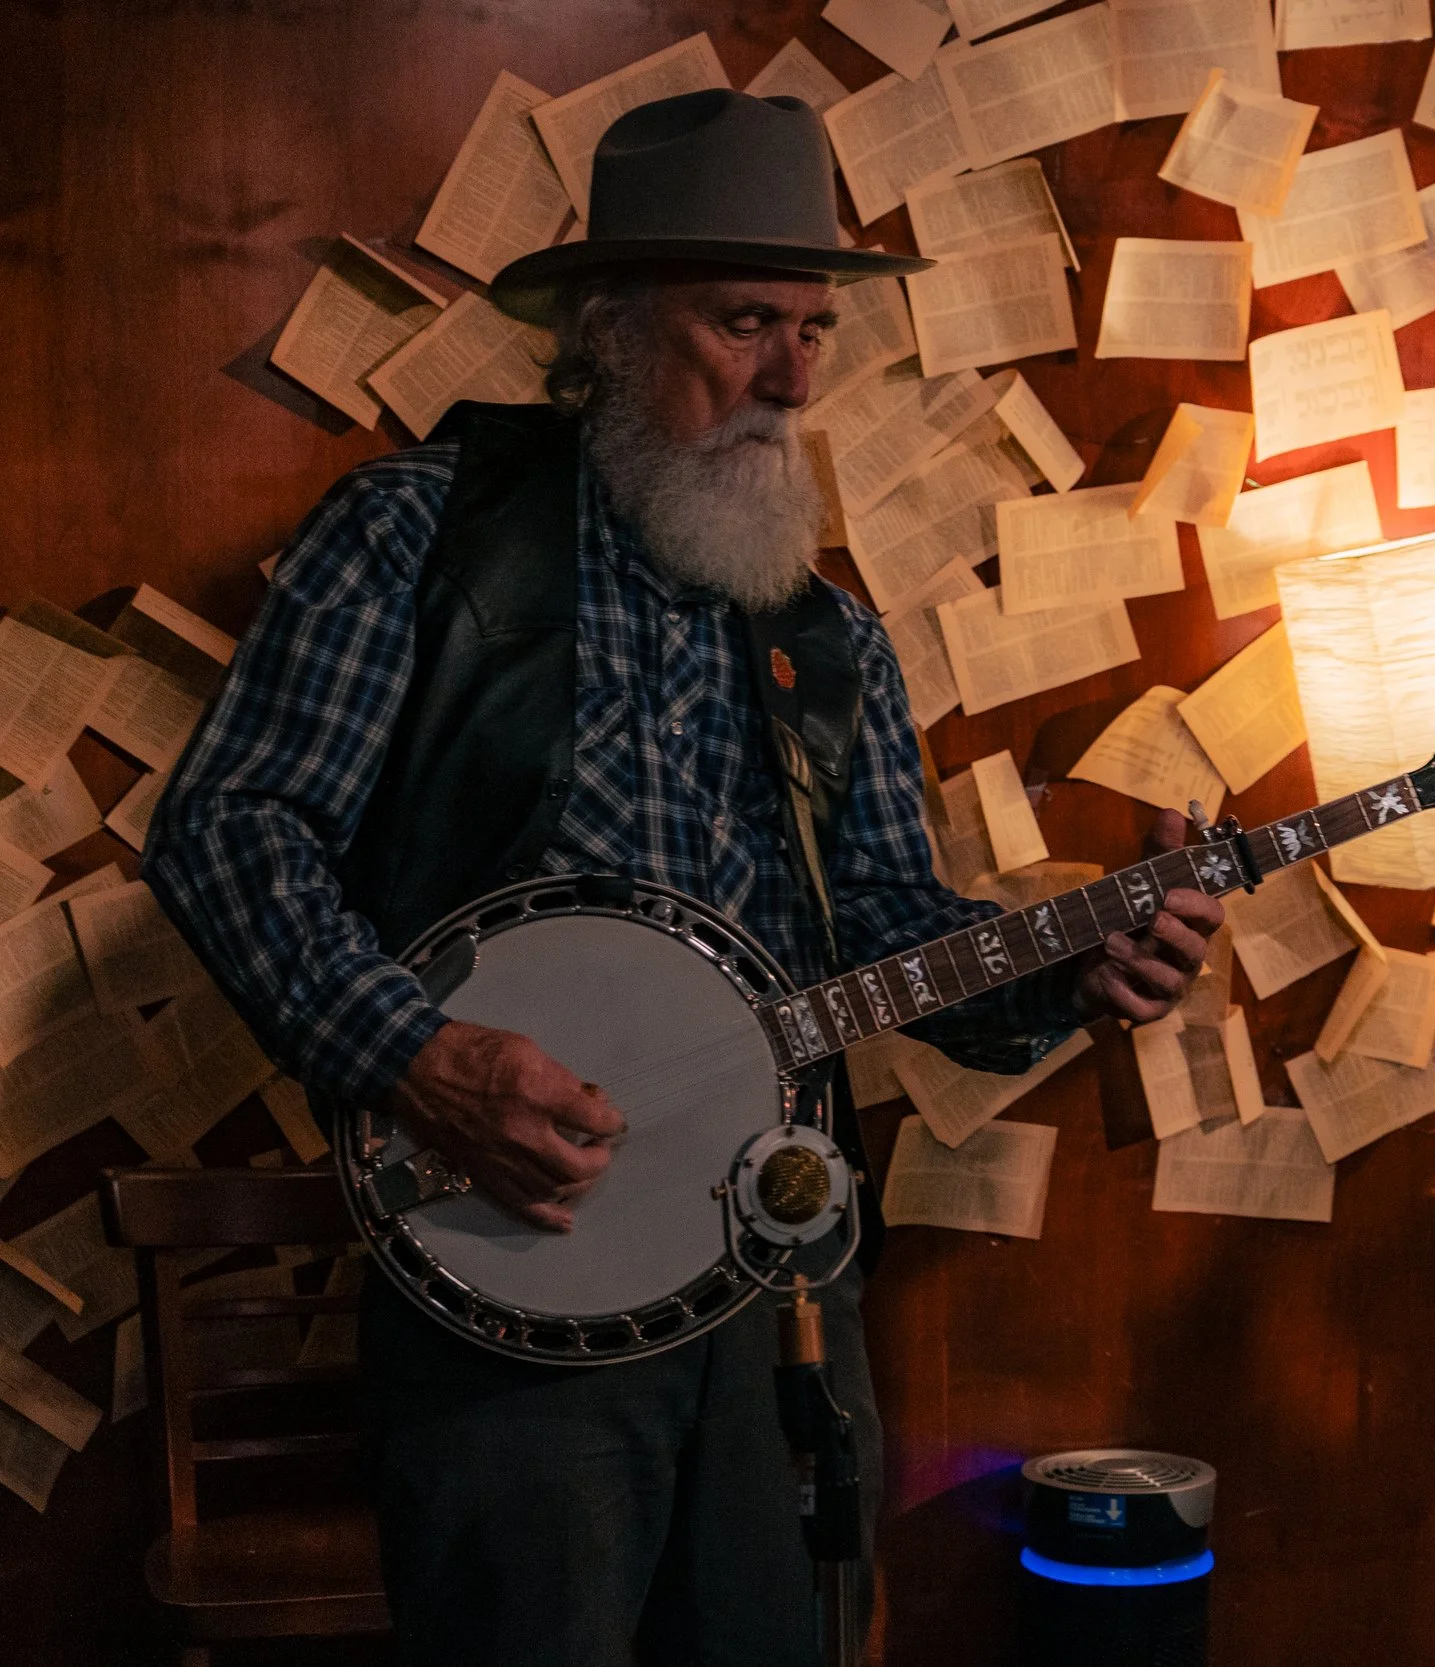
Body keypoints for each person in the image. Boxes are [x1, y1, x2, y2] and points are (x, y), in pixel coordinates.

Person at [142, 90, 1221, 1666]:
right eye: (742, 323)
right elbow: (228, 826)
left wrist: (1075, 965)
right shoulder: (417, 539)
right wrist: (416, 1056)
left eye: (812, 329)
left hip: (777, 1274)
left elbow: (888, 932)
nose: (790, 377)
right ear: (606, 330)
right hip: (512, 1267)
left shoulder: (825, 633)